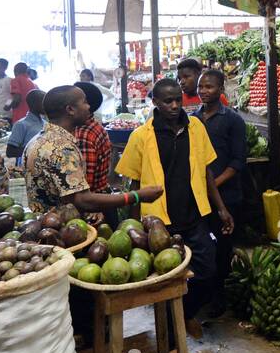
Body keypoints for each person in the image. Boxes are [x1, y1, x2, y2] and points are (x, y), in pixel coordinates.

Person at [117, 78, 233, 328]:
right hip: (159, 222)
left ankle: (184, 314)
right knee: (163, 280)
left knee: (207, 271)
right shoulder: (140, 137)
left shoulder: (196, 128)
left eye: (178, 100)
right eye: (167, 101)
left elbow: (206, 171)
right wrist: (132, 225)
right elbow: (134, 185)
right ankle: (171, 329)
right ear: (155, 102)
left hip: (194, 216)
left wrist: (221, 208)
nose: (174, 105)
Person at [25, 85, 163, 217]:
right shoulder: (62, 148)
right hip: (64, 230)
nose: (89, 106)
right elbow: (82, 200)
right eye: (84, 102)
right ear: (70, 109)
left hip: (42, 226)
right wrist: (137, 196)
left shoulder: (37, 140)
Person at [195, 68, 245, 310]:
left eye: (209, 87)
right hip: (198, 195)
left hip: (226, 194)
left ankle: (220, 295)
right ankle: (203, 292)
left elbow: (237, 162)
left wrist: (213, 184)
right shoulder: (193, 120)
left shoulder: (233, 120)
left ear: (221, 90)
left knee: (223, 246)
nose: (203, 91)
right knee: (203, 244)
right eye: (201, 87)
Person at [73, 81, 113, 196]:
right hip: (100, 197)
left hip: (95, 204)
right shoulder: (94, 126)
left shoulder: (83, 135)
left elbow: (85, 185)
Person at [6, 89, 46, 164]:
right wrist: (38, 150)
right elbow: (10, 152)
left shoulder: (45, 123)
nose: (46, 105)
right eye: (43, 102)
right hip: (27, 165)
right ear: (34, 104)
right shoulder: (21, 125)